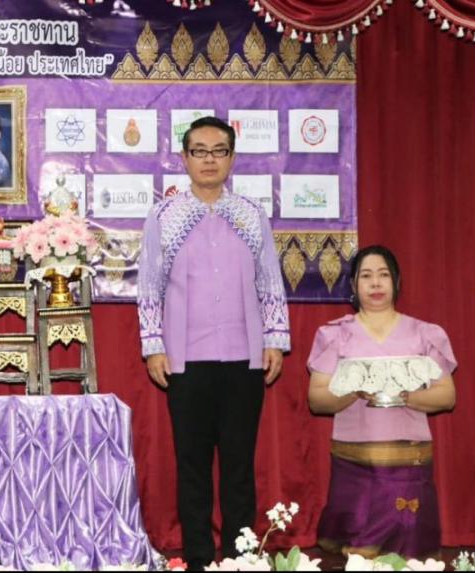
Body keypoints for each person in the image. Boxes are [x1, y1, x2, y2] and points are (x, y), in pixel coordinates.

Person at [137, 116, 290, 569]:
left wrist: (275, 339)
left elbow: (270, 281)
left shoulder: (251, 215)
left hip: (245, 358)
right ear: (184, 158)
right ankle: (200, 559)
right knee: (193, 467)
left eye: (218, 150)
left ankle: (242, 560)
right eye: (199, 151)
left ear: (232, 158)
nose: (209, 159)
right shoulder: (163, 217)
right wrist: (153, 345)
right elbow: (149, 287)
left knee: (240, 467)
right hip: (185, 361)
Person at [307, 245, 457, 559]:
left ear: (396, 282)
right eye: (366, 276)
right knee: (356, 554)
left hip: (408, 463)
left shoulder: (424, 334)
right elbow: (316, 399)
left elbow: (447, 395)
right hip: (354, 464)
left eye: (383, 275)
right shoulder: (335, 335)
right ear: (353, 285)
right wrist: (354, 390)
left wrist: (407, 396)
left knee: (410, 554)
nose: (375, 283)